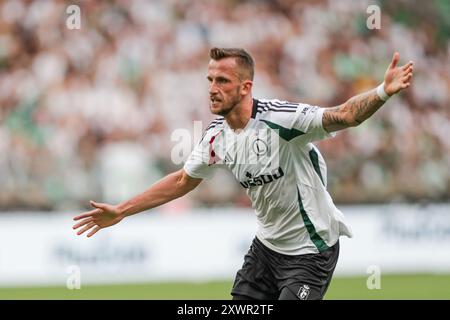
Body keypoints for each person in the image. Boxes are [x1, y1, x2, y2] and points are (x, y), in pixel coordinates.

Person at [73, 47, 414, 300]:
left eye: (222, 80)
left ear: (245, 87)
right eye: (210, 80)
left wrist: (382, 91)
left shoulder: (282, 120)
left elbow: (344, 116)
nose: (212, 88)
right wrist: (121, 210)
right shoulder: (216, 137)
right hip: (266, 251)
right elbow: (181, 181)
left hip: (311, 252)